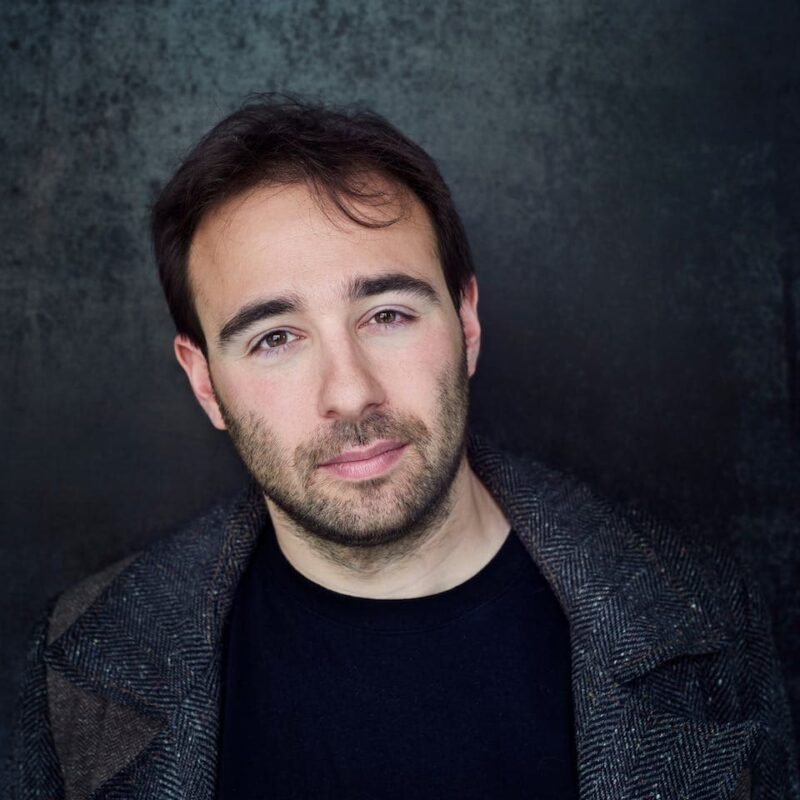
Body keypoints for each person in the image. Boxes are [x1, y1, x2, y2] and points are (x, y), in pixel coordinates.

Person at [4, 97, 798, 800]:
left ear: (467, 324)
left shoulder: (711, 617)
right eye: (275, 337)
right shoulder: (69, 669)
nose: (349, 393)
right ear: (206, 383)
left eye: (387, 314)